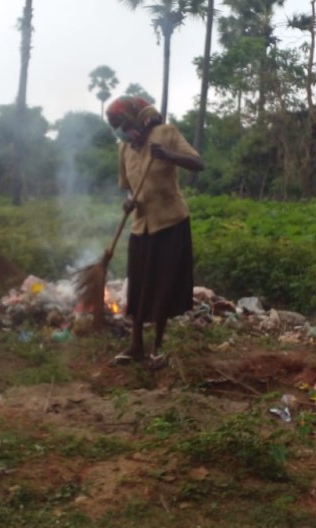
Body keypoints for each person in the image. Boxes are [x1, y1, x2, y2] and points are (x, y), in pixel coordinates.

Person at [105, 96, 204, 369]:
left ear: (134, 118)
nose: (119, 130)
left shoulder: (166, 134)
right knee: (137, 286)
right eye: (114, 126)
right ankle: (136, 346)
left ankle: (157, 349)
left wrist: (168, 155)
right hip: (141, 226)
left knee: (162, 285)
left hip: (170, 223)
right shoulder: (124, 148)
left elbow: (198, 163)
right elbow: (127, 185)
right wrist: (129, 201)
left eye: (120, 123)